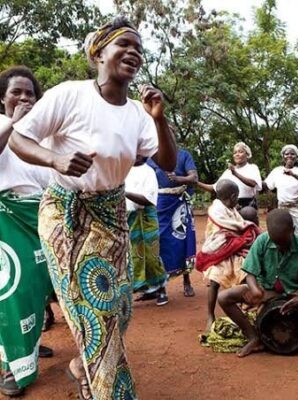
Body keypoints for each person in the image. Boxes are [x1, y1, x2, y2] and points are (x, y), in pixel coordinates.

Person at [9, 16, 176, 400]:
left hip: (112, 214)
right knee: (97, 311)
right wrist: (55, 159)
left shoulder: (137, 114)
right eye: (124, 44)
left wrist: (159, 118)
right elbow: (19, 138)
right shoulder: (70, 95)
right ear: (99, 53)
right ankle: (111, 393)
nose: (133, 52)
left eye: (138, 48)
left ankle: (80, 365)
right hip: (66, 212)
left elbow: (166, 162)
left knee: (122, 307)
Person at [218, 209, 298, 359]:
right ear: (269, 233)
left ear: (293, 230)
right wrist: (255, 290)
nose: (280, 247)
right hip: (266, 290)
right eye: (276, 242)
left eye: (284, 242)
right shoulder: (262, 241)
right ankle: (253, 338)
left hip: (297, 290)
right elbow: (250, 273)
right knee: (224, 297)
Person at [0, 66, 54, 396]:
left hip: (41, 218)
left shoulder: (42, 136)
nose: (24, 98)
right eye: (16, 92)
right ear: (2, 98)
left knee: (40, 288)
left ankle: (29, 348)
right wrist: (13, 122)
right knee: (14, 291)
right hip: (8, 221)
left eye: (30, 93)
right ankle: (10, 366)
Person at [196, 180, 260, 331]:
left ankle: (243, 311)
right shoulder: (216, 210)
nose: (237, 201)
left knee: (244, 276)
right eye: (237, 197)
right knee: (214, 282)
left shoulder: (230, 209)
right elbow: (229, 228)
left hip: (233, 252)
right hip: (219, 251)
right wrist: (244, 230)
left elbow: (237, 224)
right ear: (232, 197)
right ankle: (210, 315)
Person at [147, 141, 198, 297]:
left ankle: (187, 281)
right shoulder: (150, 158)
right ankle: (160, 286)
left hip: (179, 203)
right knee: (160, 242)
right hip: (159, 205)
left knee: (182, 240)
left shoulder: (183, 155)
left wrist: (178, 179)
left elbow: (194, 177)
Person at [125, 155, 168, 306]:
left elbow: (148, 199)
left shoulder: (149, 172)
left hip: (146, 217)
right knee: (134, 255)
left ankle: (162, 289)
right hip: (129, 218)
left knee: (151, 255)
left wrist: (123, 192)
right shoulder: (124, 169)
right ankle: (148, 289)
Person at [264, 144, 298, 240]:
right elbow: (266, 185)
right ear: (283, 156)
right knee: (283, 232)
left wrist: (293, 174)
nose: (289, 156)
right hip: (283, 208)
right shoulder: (277, 171)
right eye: (286, 154)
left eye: (292, 154)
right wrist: (255, 181)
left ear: (297, 157)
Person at [197, 142, 262, 209]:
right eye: (235, 153)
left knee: (247, 213)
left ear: (247, 154)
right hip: (231, 206)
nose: (237, 154)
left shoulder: (252, 168)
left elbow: (253, 183)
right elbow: (215, 188)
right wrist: (196, 183)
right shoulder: (228, 172)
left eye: (240, 152)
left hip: (248, 206)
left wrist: (235, 173)